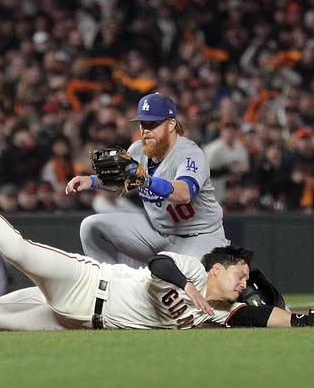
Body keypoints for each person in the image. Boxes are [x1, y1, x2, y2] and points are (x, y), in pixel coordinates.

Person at [0, 159, 314, 330]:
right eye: (239, 271)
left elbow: (258, 317)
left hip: (75, 323)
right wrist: (191, 288)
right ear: (218, 267)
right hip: (87, 284)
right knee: (20, 251)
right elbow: (160, 266)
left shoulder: (217, 319)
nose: (242, 282)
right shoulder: (195, 270)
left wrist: (306, 321)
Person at [65, 93, 228, 267]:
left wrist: (146, 180)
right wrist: (90, 180)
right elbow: (122, 179)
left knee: (178, 280)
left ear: (171, 124)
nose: (146, 130)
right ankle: (110, 285)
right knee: (91, 227)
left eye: (154, 124)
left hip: (200, 236)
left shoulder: (190, 153)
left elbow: (184, 193)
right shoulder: (137, 149)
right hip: (158, 233)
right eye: (143, 124)